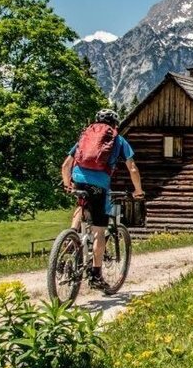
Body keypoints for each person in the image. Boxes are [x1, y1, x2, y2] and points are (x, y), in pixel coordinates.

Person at [61, 108, 144, 290]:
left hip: (78, 179)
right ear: (115, 124)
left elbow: (66, 164)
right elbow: (132, 168)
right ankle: (96, 275)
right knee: (99, 230)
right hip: (99, 185)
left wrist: (68, 184)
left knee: (82, 205)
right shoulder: (118, 140)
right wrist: (138, 191)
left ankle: (70, 238)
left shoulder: (85, 137)